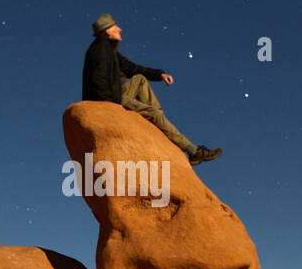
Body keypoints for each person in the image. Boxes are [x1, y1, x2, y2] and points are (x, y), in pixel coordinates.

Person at [81, 13, 223, 165]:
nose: (120, 29)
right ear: (107, 31)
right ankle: (193, 151)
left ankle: (158, 121)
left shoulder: (110, 51)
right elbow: (97, 80)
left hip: (113, 95)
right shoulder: (99, 50)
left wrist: (159, 75)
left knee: (140, 79)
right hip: (109, 100)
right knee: (154, 114)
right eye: (115, 26)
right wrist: (111, 107)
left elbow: (132, 68)